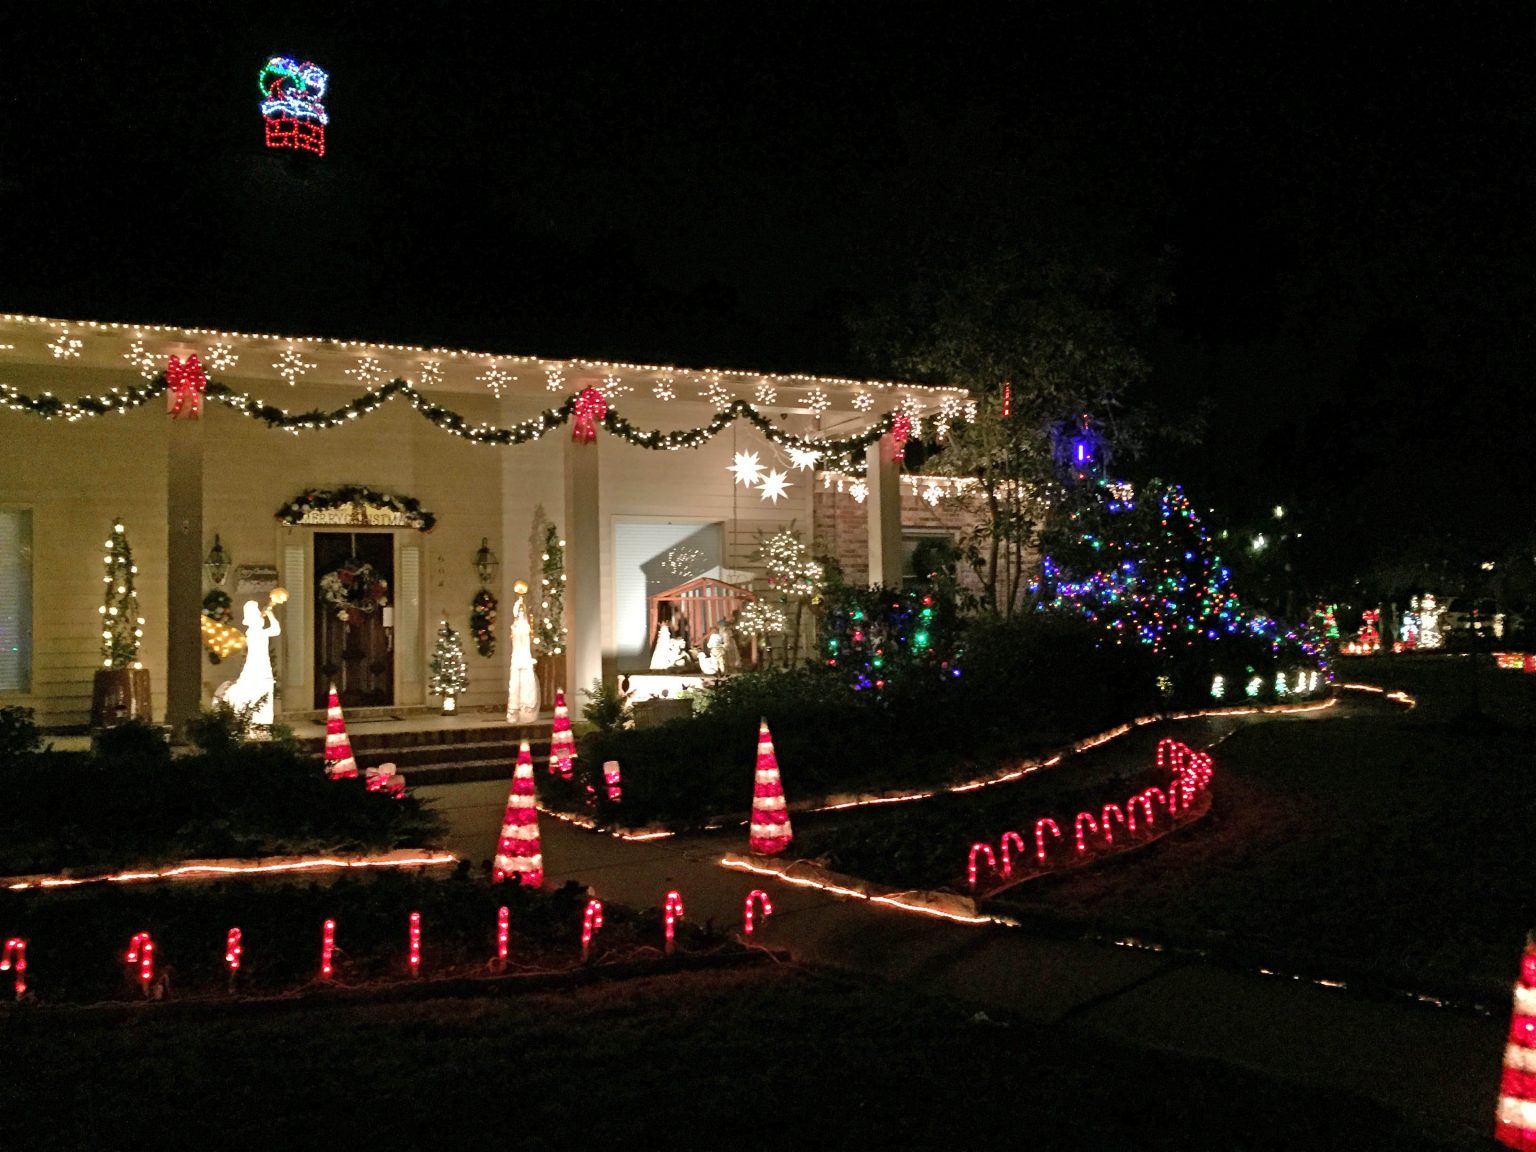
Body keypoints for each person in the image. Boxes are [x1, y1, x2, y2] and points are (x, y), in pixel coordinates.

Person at [224, 598, 281, 729]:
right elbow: (275, 630)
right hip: (256, 666)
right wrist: (269, 615)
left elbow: (275, 630)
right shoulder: (254, 632)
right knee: (247, 692)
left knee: (260, 694)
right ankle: (249, 720)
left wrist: (270, 614)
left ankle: (258, 721)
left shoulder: (257, 631)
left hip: (260, 666)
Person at [507, 580, 540, 723]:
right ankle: (515, 710)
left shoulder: (527, 626)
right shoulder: (515, 627)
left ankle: (527, 709)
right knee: (515, 684)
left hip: (525, 657)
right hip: (518, 656)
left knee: (526, 682)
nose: (521, 613)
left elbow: (528, 638)